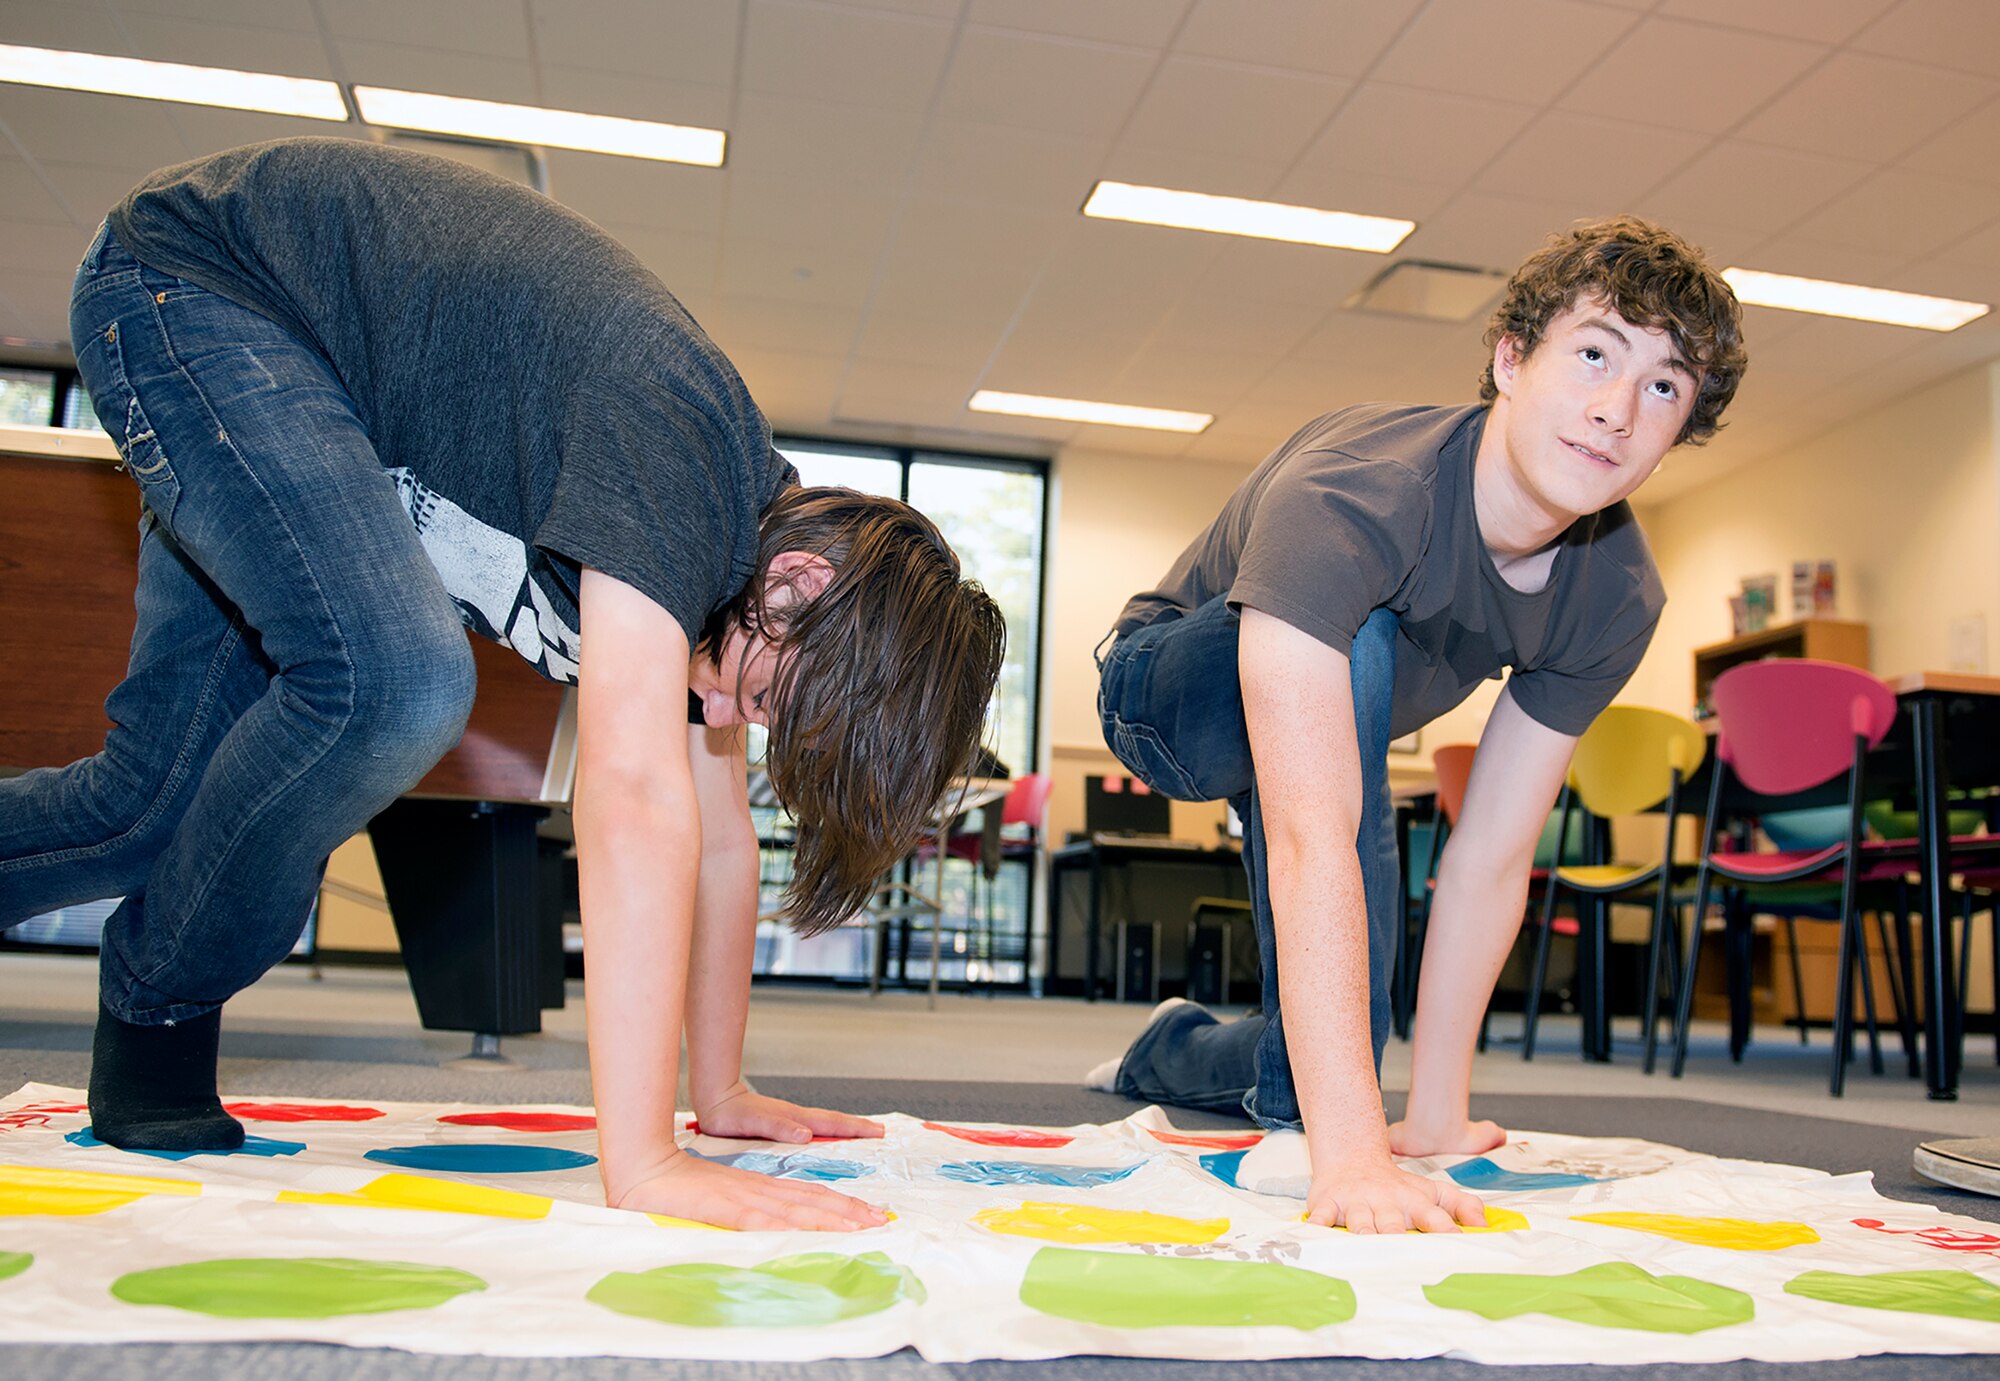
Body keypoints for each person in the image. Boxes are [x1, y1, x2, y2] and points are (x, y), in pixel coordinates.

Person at [0, 138, 1005, 1232]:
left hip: (309, 387)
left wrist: (718, 1093)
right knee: (395, 684)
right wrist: (646, 1162)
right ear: (800, 582)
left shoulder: (734, 601)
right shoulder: (680, 468)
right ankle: (161, 1006)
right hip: (199, 287)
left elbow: (717, 843)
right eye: (761, 702)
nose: (724, 718)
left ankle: (155, 1005)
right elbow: (629, 800)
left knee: (147, 806)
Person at [1087, 216, 1746, 1233]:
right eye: (1591, 354)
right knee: (1363, 648)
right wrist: (1350, 1159)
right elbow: (1312, 832)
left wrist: (1432, 1115)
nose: (1615, 410)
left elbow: (1489, 853)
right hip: (1168, 697)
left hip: (1336, 733)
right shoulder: (1356, 493)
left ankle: (1171, 1046)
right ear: (1509, 358)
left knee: (1320, 1063)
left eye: (1662, 386)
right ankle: (1323, 1114)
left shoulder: (1613, 596)